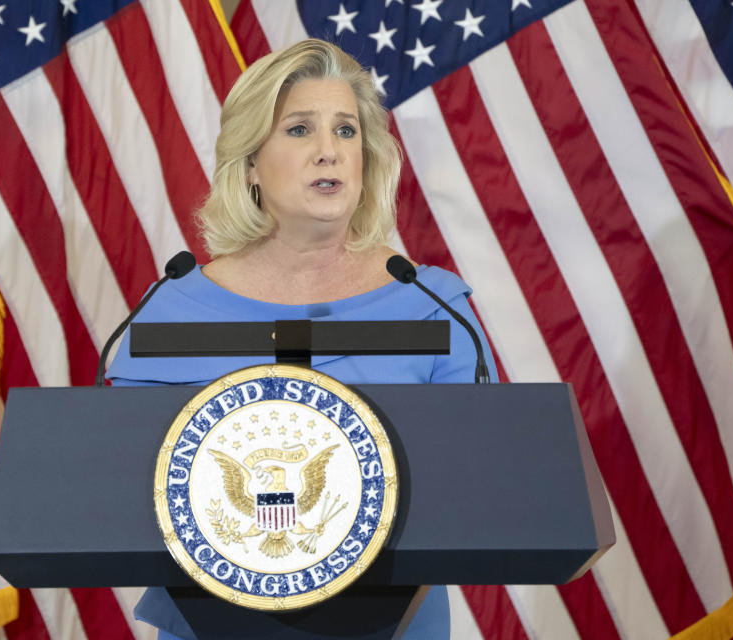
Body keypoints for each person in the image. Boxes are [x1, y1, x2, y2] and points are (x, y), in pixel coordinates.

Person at [107, 38, 497, 640]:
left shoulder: (432, 306)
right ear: (251, 162)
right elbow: (120, 491)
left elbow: (478, 482)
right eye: (298, 130)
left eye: (346, 132)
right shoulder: (170, 310)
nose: (328, 152)